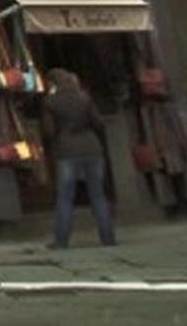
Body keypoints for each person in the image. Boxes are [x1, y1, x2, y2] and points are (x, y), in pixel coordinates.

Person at [45, 68, 117, 248]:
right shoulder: (85, 98)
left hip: (67, 150)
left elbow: (49, 131)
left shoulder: (51, 102)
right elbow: (98, 123)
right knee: (98, 195)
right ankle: (108, 238)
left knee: (65, 197)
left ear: (53, 83)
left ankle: (61, 240)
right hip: (91, 148)